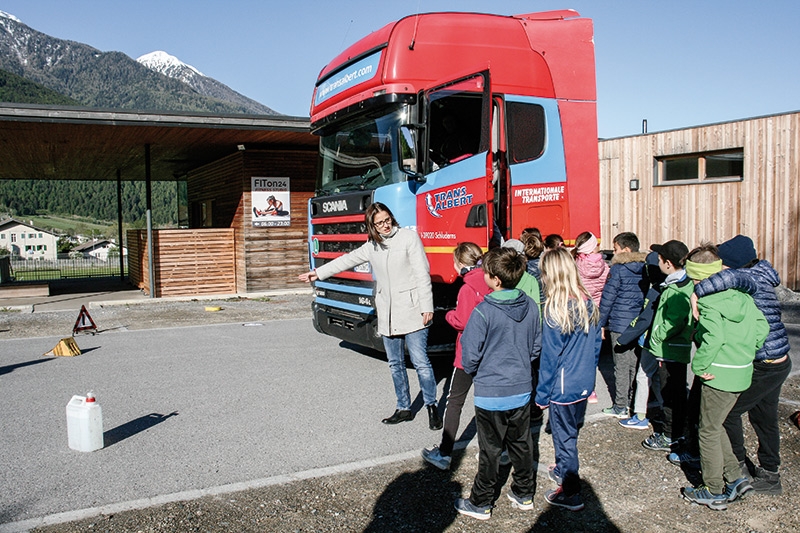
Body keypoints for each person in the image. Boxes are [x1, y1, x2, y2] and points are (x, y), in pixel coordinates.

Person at [298, 202, 443, 430]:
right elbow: (347, 260)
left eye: (387, 220)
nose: (385, 226)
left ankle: (431, 407)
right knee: (395, 363)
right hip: (387, 311)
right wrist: (317, 273)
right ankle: (403, 408)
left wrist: (427, 306)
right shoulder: (372, 246)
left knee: (421, 362)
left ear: (392, 218)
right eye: (379, 223)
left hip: (413, 309)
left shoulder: (408, 238)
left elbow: (422, 274)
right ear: (372, 226)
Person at [694, 235, 792, 495]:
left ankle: (737, 471)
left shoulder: (747, 280)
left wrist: (698, 291)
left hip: (765, 363)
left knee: (727, 414)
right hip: (780, 360)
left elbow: (726, 279)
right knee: (765, 417)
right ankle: (770, 474)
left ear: (733, 266)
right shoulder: (760, 274)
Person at [454, 247, 541, 520]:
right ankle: (524, 493)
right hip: (521, 388)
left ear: (495, 279)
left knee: (490, 450)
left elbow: (470, 356)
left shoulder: (483, 312)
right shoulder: (530, 306)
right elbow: (535, 346)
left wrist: (482, 373)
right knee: (522, 443)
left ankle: (481, 502)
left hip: (491, 394)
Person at [681, 243, 768, 511]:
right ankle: (734, 478)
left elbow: (714, 337)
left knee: (706, 431)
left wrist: (699, 365)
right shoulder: (741, 296)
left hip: (718, 373)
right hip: (741, 372)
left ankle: (713, 490)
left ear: (699, 276)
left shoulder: (708, 301)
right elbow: (762, 327)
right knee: (715, 425)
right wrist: (743, 353)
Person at [536, 247, 602, 511]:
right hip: (583, 382)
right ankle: (564, 467)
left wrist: (542, 394)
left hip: (562, 388)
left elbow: (549, 360)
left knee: (564, 439)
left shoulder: (555, 310)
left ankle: (570, 490)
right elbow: (596, 346)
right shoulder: (587, 301)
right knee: (570, 433)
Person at [422, 243, 491, 470]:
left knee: (455, 401)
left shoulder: (466, 288)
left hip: (468, 354)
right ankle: (499, 450)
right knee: (488, 404)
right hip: (489, 352)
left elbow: (462, 321)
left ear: (460, 264)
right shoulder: (491, 281)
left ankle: (444, 453)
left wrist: (450, 315)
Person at [621, 242, 693, 451]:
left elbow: (674, 321)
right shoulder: (681, 283)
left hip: (669, 349)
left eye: (660, 259)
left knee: (671, 392)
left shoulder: (676, 289)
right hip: (673, 348)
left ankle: (671, 435)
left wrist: (655, 339)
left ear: (668, 264)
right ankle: (676, 428)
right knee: (674, 391)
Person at [599, 232, 648, 418]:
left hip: (619, 323)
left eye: (615, 248)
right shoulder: (645, 268)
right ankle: (634, 400)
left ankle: (620, 405)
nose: (613, 252)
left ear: (626, 250)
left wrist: (601, 323)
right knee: (634, 364)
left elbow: (608, 299)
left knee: (620, 365)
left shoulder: (618, 270)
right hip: (638, 324)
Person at [572, 231, 609, 306]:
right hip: (600, 304)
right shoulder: (604, 265)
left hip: (582, 304)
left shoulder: (574, 264)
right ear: (593, 247)